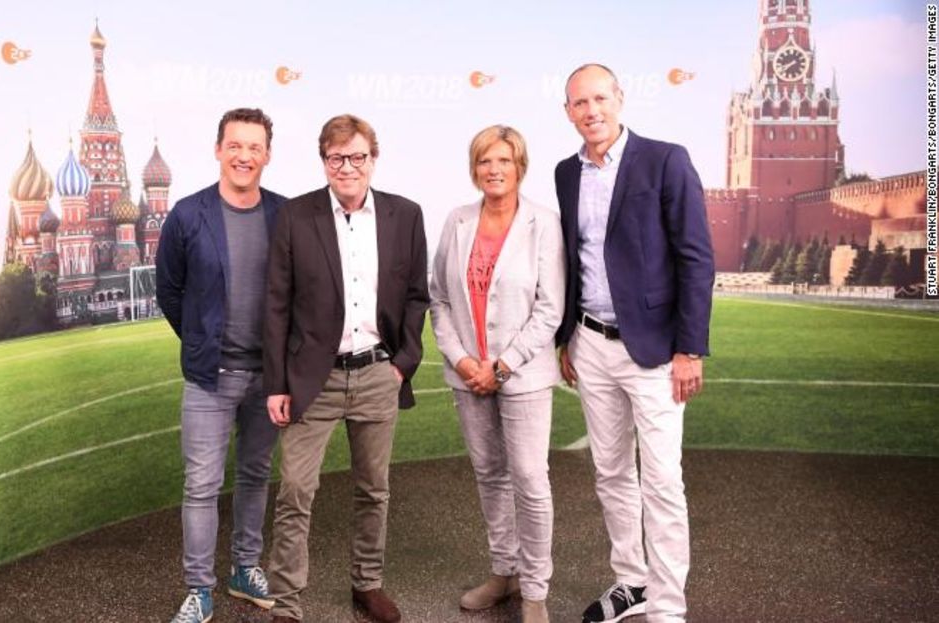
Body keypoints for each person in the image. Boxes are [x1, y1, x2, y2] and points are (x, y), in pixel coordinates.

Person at [554, 64, 715, 623]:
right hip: (590, 345)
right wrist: (566, 339)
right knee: (611, 473)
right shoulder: (565, 173)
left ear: (620, 99)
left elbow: (695, 256)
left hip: (654, 351)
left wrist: (689, 348)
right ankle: (632, 583)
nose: (591, 110)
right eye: (579, 103)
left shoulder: (665, 159)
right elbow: (574, 259)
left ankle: (668, 610)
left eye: (600, 98)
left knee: (663, 481)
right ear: (567, 111)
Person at [263, 114, 429, 623]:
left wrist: (403, 364)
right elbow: (276, 305)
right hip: (313, 380)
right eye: (337, 158)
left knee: (373, 490)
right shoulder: (296, 216)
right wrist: (277, 384)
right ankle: (287, 603)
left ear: (372, 159)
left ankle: (367, 584)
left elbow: (417, 297)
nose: (347, 167)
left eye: (357, 157)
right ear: (324, 162)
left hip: (379, 373)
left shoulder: (406, 214)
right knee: (295, 491)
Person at [429, 125, 565, 623]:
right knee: (489, 474)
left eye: (504, 160)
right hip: (468, 376)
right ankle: (503, 572)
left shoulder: (543, 223)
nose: (494, 169)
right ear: (474, 168)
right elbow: (439, 299)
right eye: (485, 161)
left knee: (530, 480)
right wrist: (463, 360)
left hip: (522, 375)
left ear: (519, 166)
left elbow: (550, 310)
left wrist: (501, 367)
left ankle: (534, 591)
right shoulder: (458, 221)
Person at [156, 108, 287, 623]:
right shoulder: (188, 215)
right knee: (202, 485)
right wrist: (199, 340)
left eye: (255, 147)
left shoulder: (285, 214)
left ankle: (244, 568)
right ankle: (199, 589)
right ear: (218, 149)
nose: (244, 156)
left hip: (267, 378)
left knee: (255, 476)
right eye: (235, 145)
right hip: (210, 378)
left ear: (267, 155)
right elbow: (170, 290)